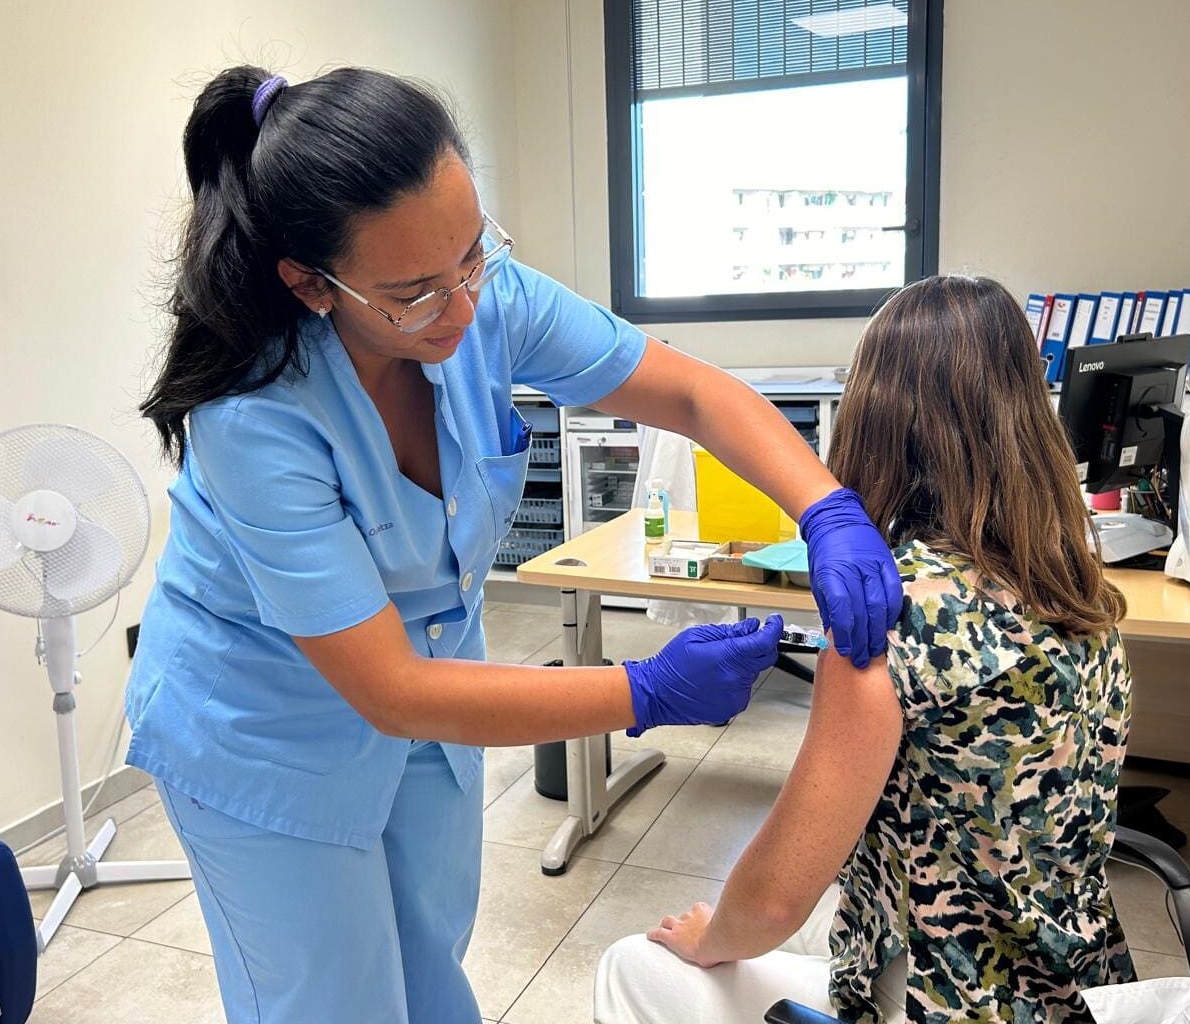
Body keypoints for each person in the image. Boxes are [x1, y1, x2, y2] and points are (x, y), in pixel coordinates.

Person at [125, 64, 903, 1024]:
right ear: (311, 285)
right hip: (264, 727)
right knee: (332, 1000)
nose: (461, 307)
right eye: (415, 292)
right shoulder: (255, 416)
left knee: (431, 970)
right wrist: (644, 690)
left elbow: (695, 393)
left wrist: (823, 505)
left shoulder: (479, 295)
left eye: (472, 256)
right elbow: (391, 690)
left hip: (430, 696)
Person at [595, 275, 1138, 1024]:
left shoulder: (886, 621)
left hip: (940, 1000)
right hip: (1066, 988)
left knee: (636, 965)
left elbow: (773, 901)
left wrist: (710, 936)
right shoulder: (1080, 586)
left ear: (874, 418)